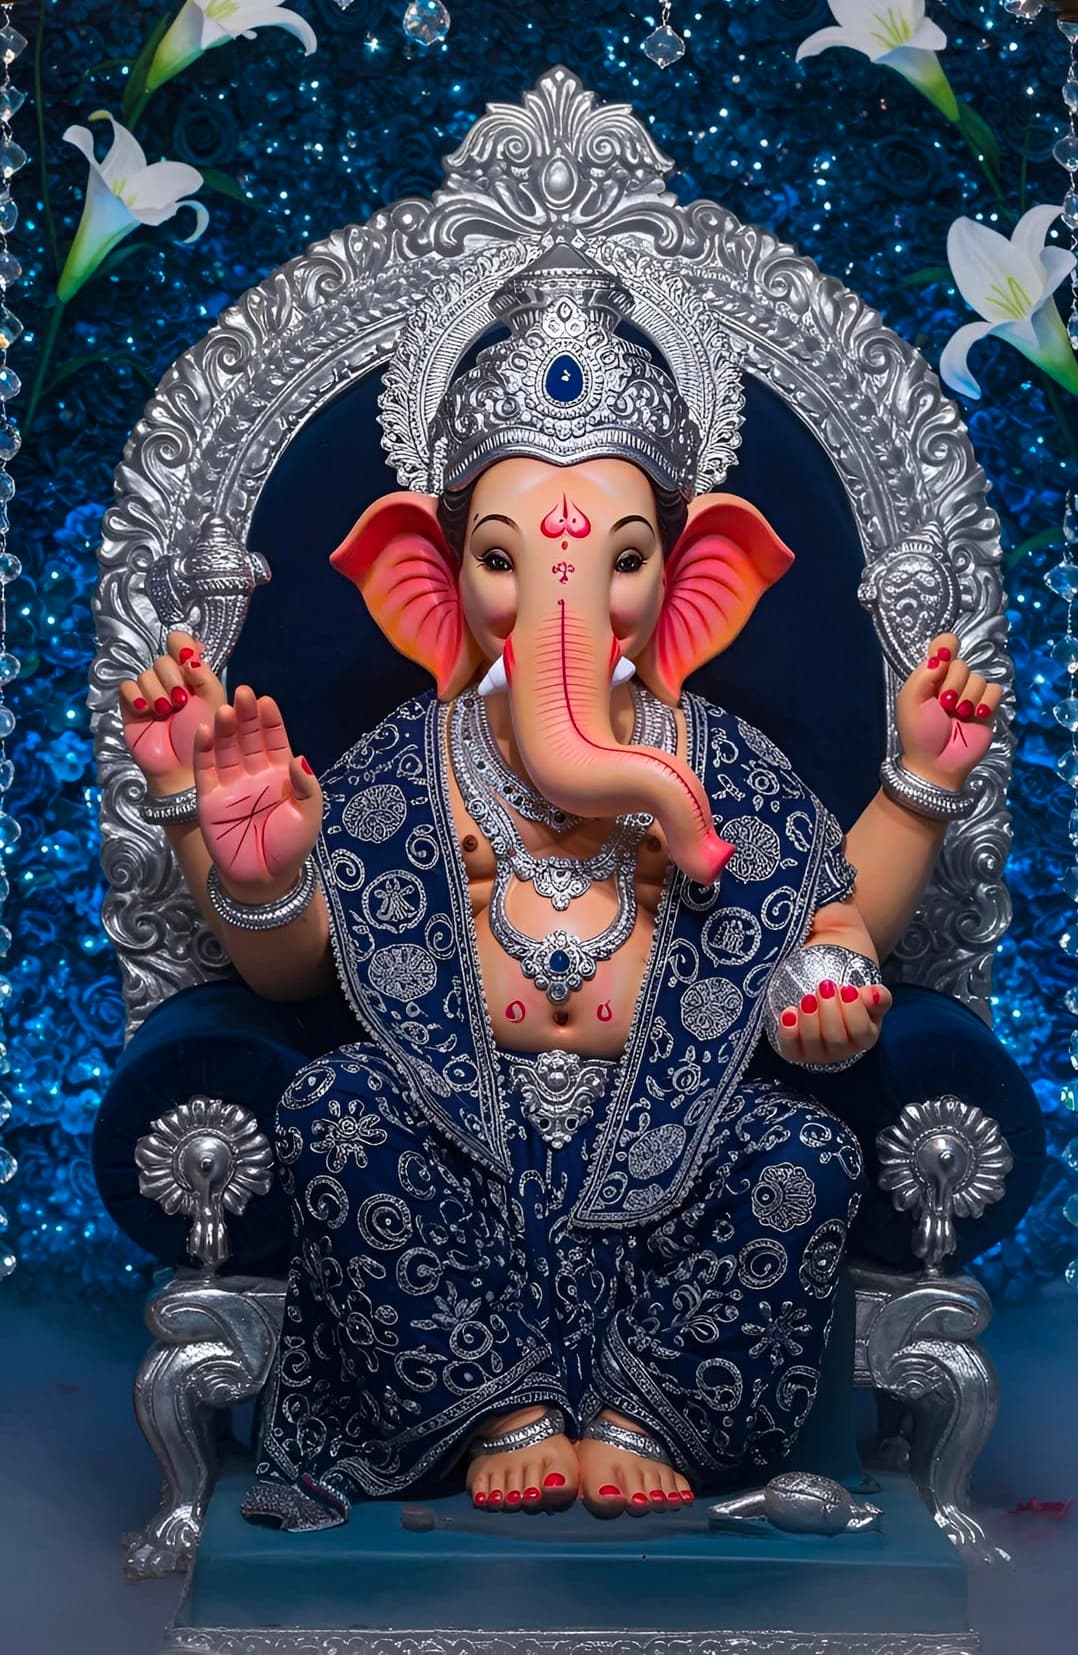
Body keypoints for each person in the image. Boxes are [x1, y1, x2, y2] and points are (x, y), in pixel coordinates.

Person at [120, 247, 1000, 1529]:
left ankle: (648, 1410)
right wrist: (238, 858)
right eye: (502, 558)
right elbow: (299, 971)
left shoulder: (720, 764)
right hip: (455, 1131)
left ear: (692, 585)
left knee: (804, 1148)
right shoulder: (408, 768)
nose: (562, 598)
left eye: (618, 560)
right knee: (334, 1106)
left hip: (676, 1139)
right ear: (432, 581)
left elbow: (826, 918)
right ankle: (501, 1409)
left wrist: (900, 821)